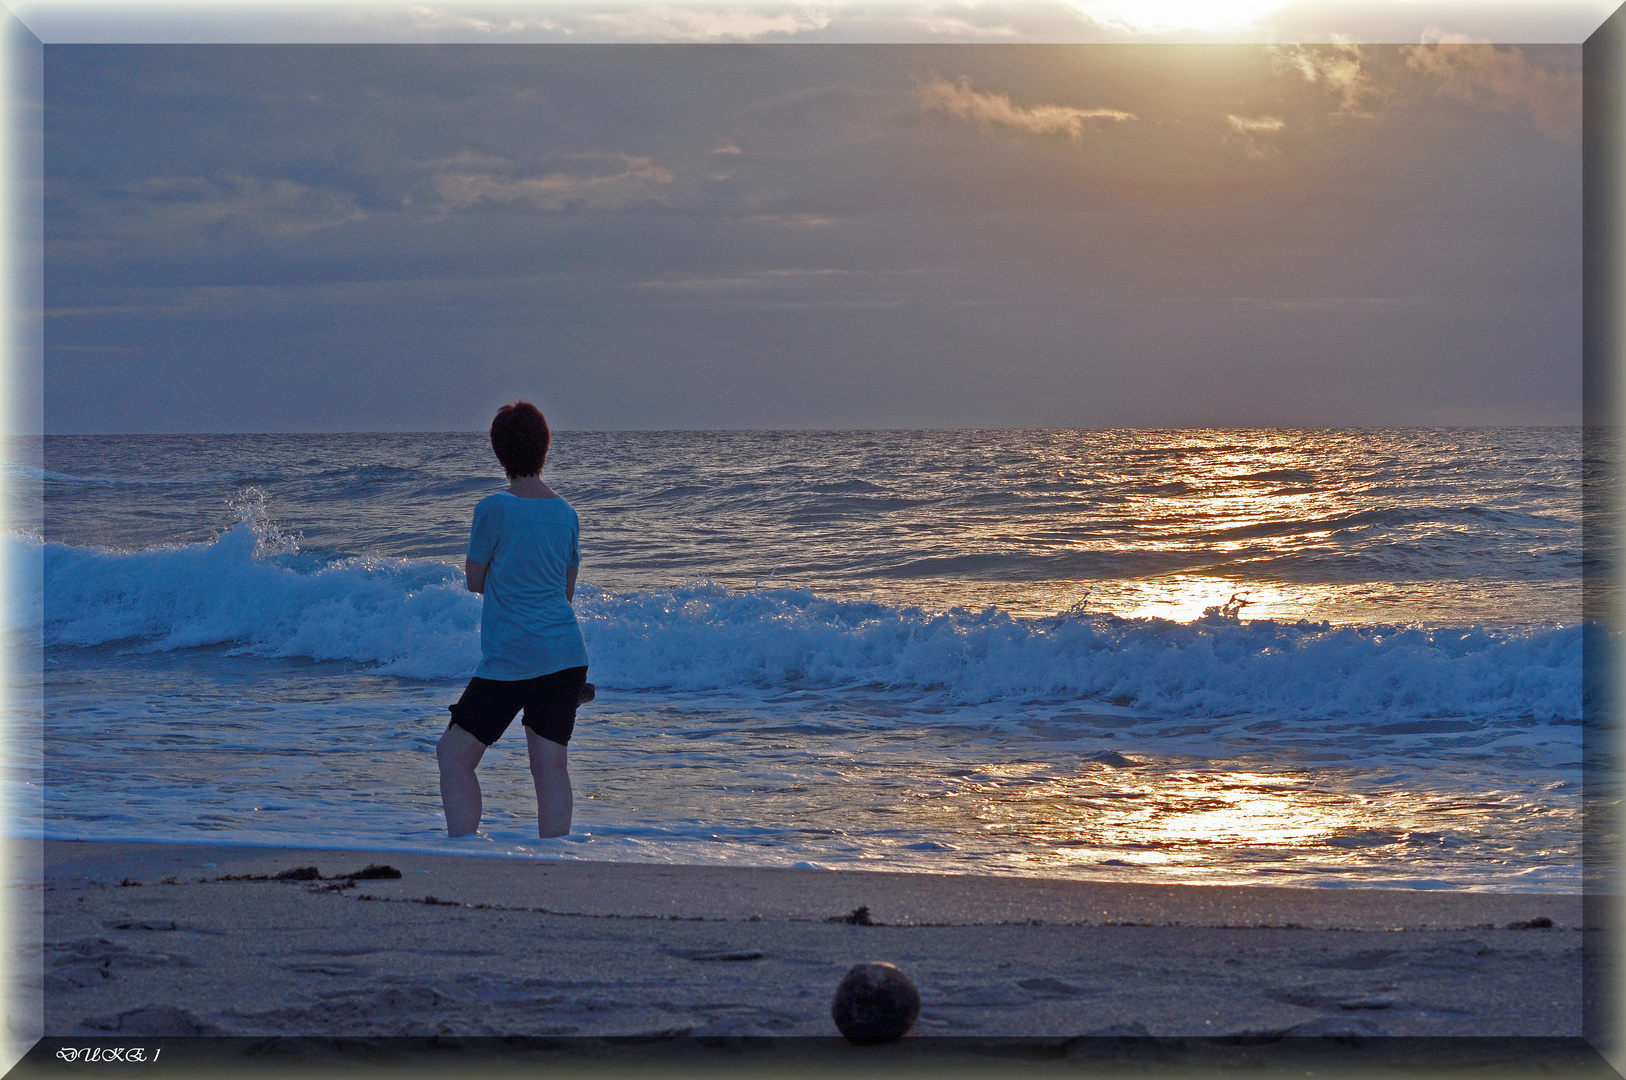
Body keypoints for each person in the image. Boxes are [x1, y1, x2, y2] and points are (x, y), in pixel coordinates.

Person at [437, 401, 589, 839]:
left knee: (453, 755)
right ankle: (554, 861)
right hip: (565, 655)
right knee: (550, 767)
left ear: (499, 452)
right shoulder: (566, 513)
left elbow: (474, 580)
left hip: (512, 658)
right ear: (545, 447)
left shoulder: (493, 508)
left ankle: (465, 851)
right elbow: (566, 591)